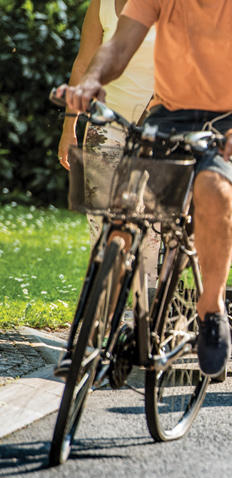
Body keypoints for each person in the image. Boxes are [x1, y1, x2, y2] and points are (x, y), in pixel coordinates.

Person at [57, 0, 232, 378]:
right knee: (121, 207)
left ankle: (211, 310)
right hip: (168, 113)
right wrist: (93, 80)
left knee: (213, 187)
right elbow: (118, 45)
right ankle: (98, 338)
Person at [57, 0, 159, 288]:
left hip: (156, 129)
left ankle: (144, 313)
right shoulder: (100, 5)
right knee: (101, 221)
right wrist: (70, 125)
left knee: (150, 227)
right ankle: (100, 310)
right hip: (106, 124)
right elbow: (83, 65)